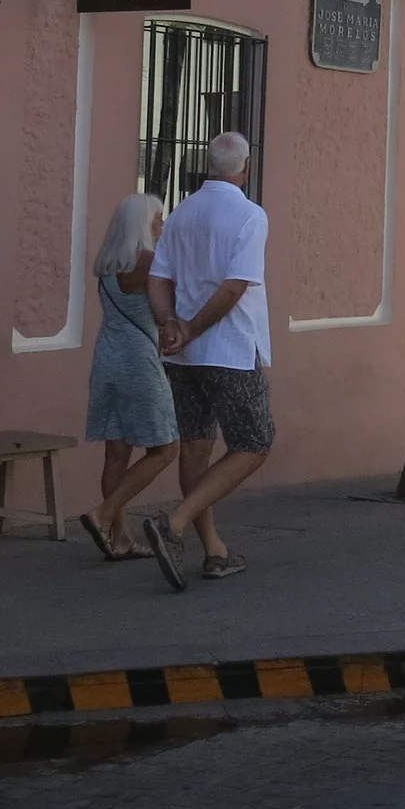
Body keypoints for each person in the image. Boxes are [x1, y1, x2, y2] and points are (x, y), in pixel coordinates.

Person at [140, 131, 272, 589]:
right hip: (230, 350)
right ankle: (173, 524)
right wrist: (191, 327)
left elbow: (158, 279)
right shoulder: (250, 216)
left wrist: (168, 325)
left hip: (184, 355)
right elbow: (235, 287)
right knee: (255, 441)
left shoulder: (180, 214)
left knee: (196, 445)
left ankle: (214, 548)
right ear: (246, 167)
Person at [76, 193, 177, 563]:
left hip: (107, 357)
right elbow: (173, 301)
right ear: (142, 224)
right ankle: (103, 513)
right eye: (158, 220)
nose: (162, 225)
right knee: (166, 449)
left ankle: (120, 539)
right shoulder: (149, 262)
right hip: (138, 359)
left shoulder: (108, 264)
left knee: (116, 452)